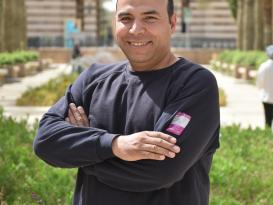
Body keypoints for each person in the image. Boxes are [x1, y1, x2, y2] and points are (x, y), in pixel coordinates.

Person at [33, 0, 220, 204]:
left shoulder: (194, 84)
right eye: (125, 18)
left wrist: (84, 152)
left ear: (172, 23)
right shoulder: (92, 79)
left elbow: (159, 171)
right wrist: (115, 145)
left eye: (150, 18)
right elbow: (45, 141)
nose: (136, 29)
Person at [257, 45, 273, 129]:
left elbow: (260, 82)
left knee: (268, 119)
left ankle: (267, 136)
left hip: (266, 97)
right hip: (267, 96)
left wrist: (261, 90)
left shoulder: (264, 66)